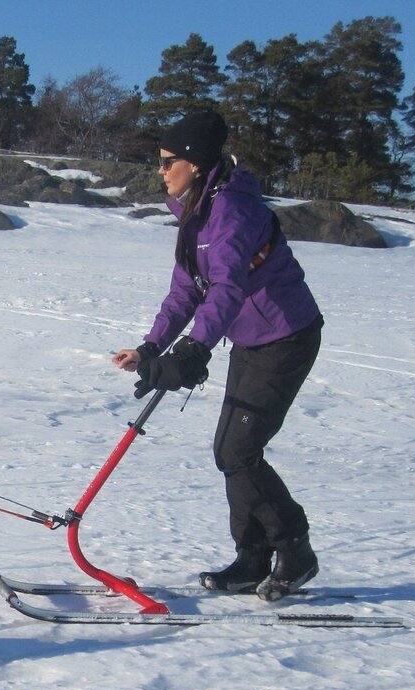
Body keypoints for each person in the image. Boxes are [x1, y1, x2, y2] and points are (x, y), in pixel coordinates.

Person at [112, 110, 323, 600]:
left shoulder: (232, 211)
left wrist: (192, 349)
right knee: (231, 449)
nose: (161, 172)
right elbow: (185, 291)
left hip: (286, 336)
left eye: (169, 162)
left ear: (197, 163)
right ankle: (251, 559)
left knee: (238, 451)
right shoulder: (192, 212)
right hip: (251, 338)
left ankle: (296, 551)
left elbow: (227, 287)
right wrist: (150, 348)